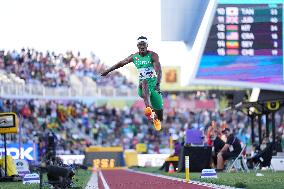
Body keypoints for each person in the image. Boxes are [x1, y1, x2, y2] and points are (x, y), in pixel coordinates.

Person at [101, 36, 163, 131]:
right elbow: (120, 63)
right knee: (144, 81)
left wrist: (158, 84)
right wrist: (108, 70)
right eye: (140, 45)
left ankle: (155, 118)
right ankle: (149, 109)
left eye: (144, 44)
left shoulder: (153, 55)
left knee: (159, 110)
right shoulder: (134, 57)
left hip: (154, 85)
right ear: (137, 46)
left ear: (147, 45)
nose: (142, 46)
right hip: (142, 87)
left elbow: (159, 71)